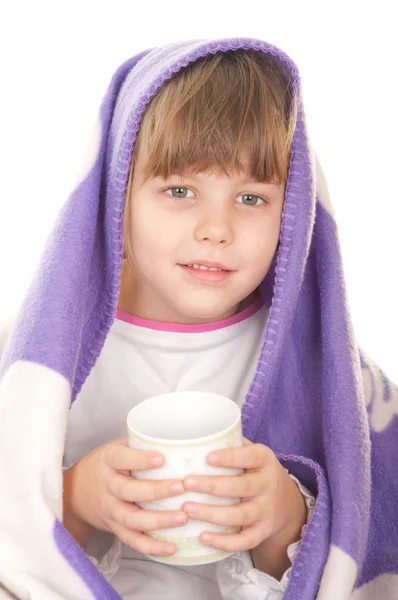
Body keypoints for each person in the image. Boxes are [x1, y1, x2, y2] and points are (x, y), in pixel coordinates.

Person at [0, 37, 397, 600]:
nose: (217, 228)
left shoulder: (318, 366)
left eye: (252, 198)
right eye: (180, 189)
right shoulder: (34, 358)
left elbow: (373, 527)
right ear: (117, 197)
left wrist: (284, 520)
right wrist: (74, 497)